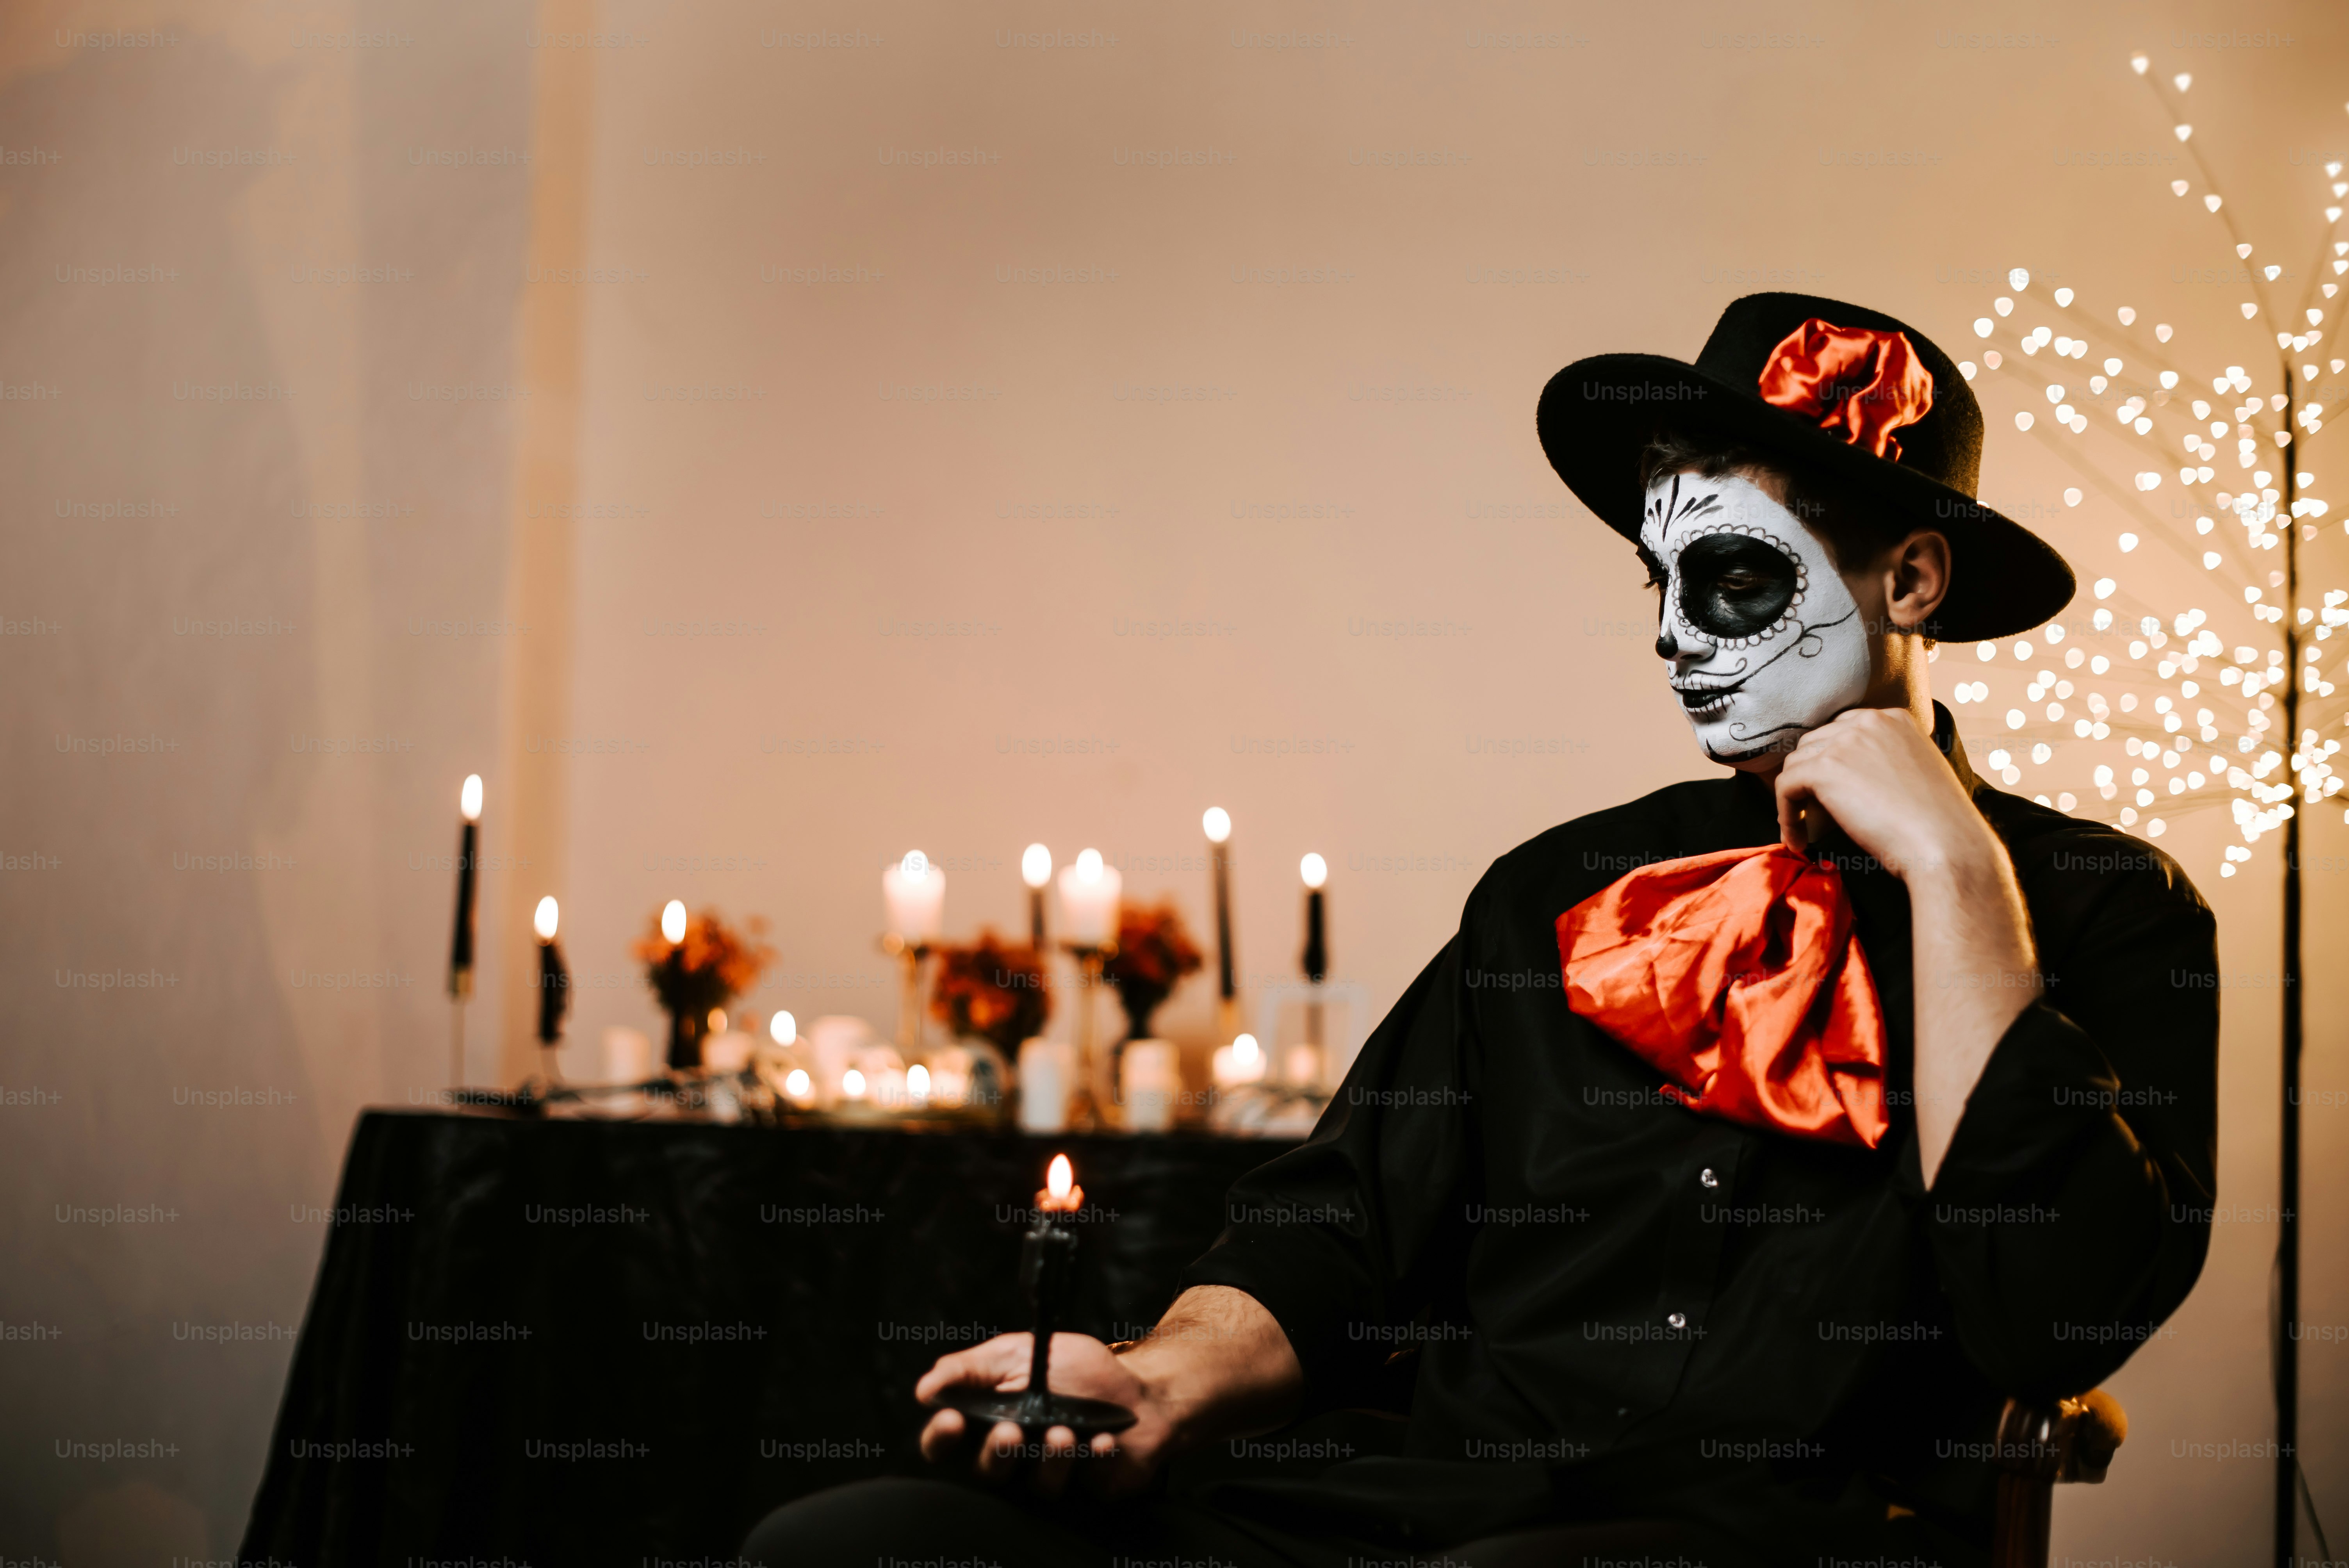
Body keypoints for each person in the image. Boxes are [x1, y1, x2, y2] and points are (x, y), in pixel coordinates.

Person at [744, 294, 2219, 1568]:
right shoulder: (1555, 892)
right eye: (1660, 581)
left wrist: (1959, 882)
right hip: (1423, 1511)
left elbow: (2059, 1319)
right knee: (849, 1547)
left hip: (1790, 1538)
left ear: (1910, 582)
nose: (1671, 633)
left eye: (1734, 579)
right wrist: (1166, 1381)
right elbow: (1340, 1225)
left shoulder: (2105, 908)